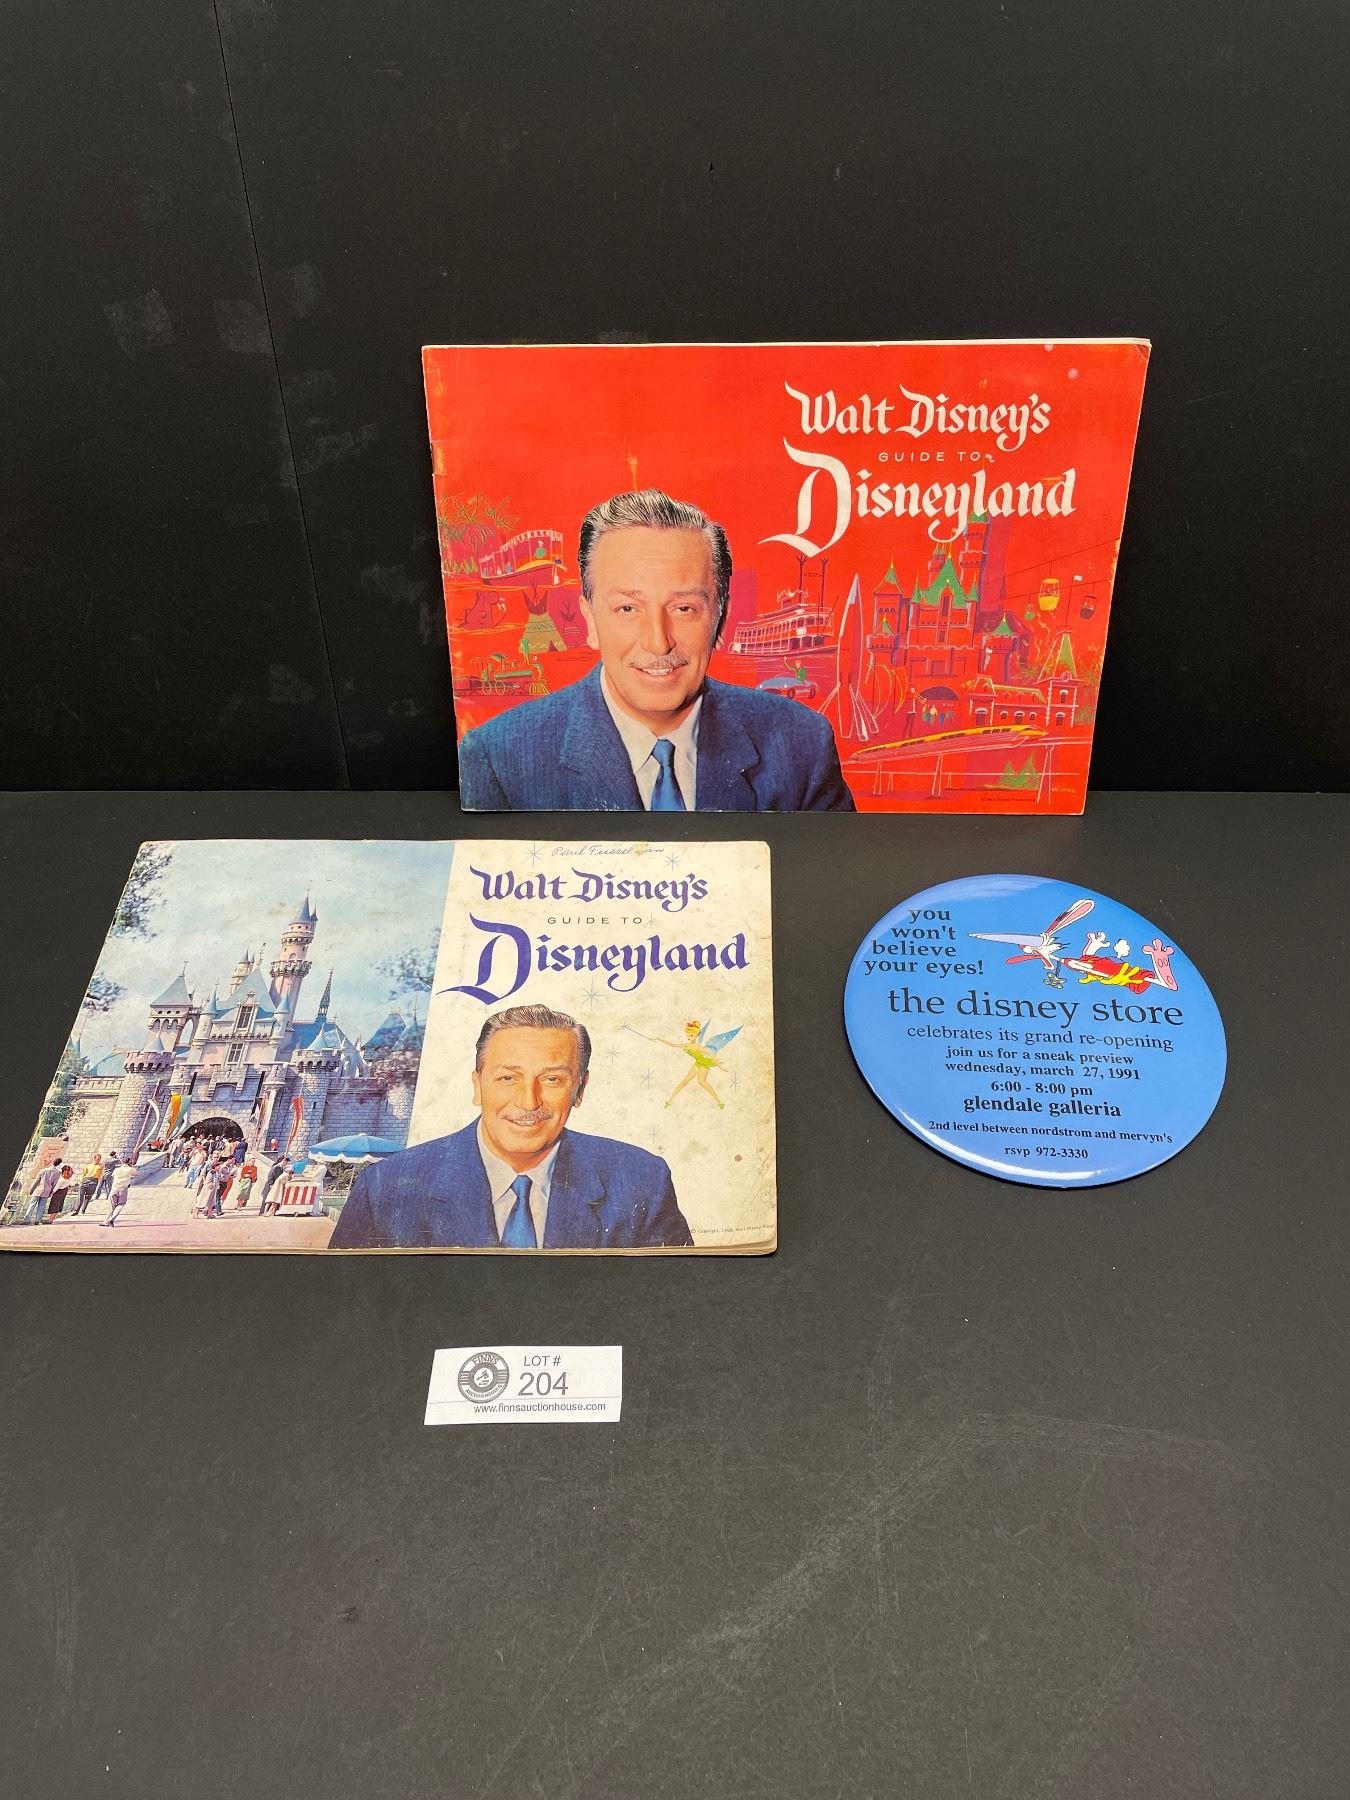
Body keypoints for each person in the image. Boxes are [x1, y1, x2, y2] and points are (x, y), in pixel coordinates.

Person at [456, 489, 855, 812]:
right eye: (627, 609)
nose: (658, 641)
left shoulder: (802, 745)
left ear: (720, 618)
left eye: (684, 609)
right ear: (590, 622)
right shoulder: (498, 759)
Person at [329, 1003, 692, 1250]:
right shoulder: (385, 1189)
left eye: (552, 1079)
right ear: (477, 1085)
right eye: (507, 1078)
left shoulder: (642, 1182)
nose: (528, 1102)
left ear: (579, 1090)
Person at [22, 1159, 66, 1227]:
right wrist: (51, 1192)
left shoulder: (43, 1170)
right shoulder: (57, 1173)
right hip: (47, 1191)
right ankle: (37, 1220)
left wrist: (31, 1190)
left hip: (38, 1190)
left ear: (52, 1162)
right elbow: (54, 1184)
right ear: (59, 1164)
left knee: (32, 1205)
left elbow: (36, 1181)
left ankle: (26, 1220)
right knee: (41, 1206)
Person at [104, 1158, 135, 1227]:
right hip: (123, 1188)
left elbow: (113, 1176)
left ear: (121, 1162)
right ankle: (112, 1219)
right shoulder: (131, 1169)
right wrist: (131, 1166)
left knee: (111, 1206)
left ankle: (106, 1221)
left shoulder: (117, 1170)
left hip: (114, 1188)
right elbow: (135, 1174)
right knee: (121, 1204)